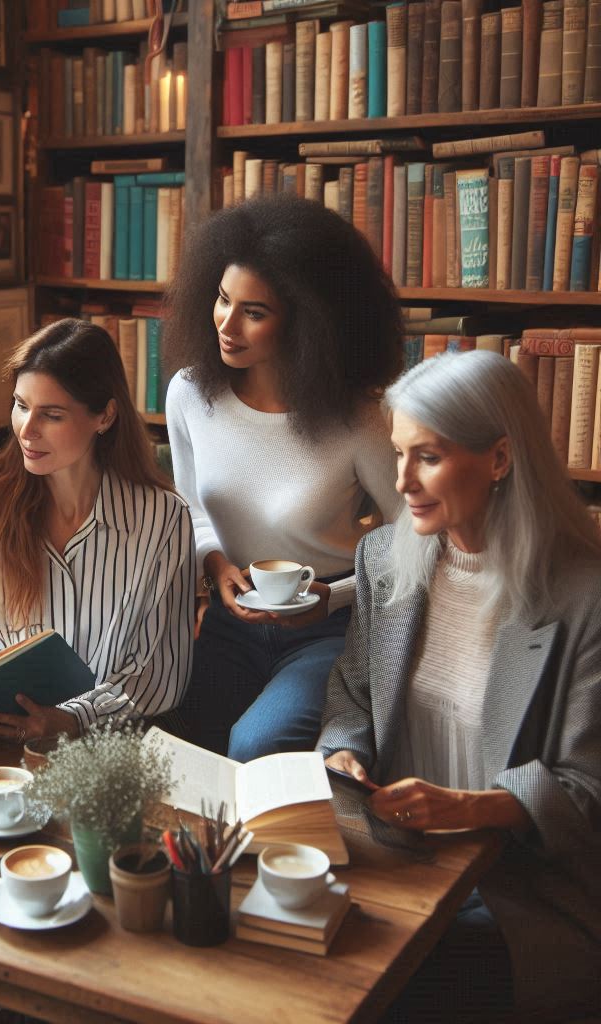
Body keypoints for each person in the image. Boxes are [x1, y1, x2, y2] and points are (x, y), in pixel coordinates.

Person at [319, 350, 601, 1023]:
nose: (403, 481)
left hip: (521, 885)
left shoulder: (584, 596)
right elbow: (350, 696)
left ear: (500, 459)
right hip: (393, 855)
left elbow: (587, 794)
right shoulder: (384, 558)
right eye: (398, 453)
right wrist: (345, 753)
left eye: (429, 457)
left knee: (397, 982)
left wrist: (470, 807)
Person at [164, 193, 403, 761]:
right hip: (229, 621)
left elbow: (417, 535)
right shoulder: (190, 394)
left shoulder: (360, 417)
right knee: (172, 742)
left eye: (254, 311)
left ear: (307, 321)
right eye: (223, 299)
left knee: (255, 744)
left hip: (329, 630)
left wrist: (337, 597)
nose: (226, 323)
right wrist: (215, 565)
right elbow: (191, 508)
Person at [0, 318, 195, 742]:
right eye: (21, 405)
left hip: (116, 747)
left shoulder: (163, 521)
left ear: (104, 416)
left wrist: (72, 718)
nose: (27, 430)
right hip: (2, 745)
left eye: (52, 414)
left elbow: (159, 676)